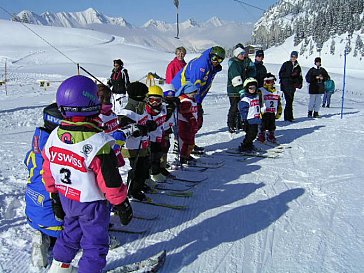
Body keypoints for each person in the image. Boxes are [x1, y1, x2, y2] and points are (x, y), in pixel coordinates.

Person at [43, 75, 132, 273]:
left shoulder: (53, 137)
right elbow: (110, 181)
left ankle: (60, 267)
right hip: (91, 204)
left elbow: (48, 170)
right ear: (93, 103)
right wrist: (121, 203)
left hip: (67, 198)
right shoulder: (97, 143)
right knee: (95, 243)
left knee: (70, 233)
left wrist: (54, 195)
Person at [24, 103, 64, 268]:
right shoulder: (56, 150)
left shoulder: (37, 144)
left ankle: (43, 236)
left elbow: (27, 161)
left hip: (32, 209)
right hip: (52, 212)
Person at [172, 46, 225, 152]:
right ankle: (180, 144)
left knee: (195, 122)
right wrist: (196, 101)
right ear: (210, 56)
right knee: (187, 121)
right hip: (184, 94)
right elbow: (194, 85)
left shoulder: (210, 66)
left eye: (220, 60)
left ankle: (189, 144)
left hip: (193, 95)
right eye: (215, 58)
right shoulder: (202, 65)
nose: (216, 62)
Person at [118, 82, 157, 202]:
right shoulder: (127, 112)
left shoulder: (142, 109)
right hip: (133, 148)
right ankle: (133, 191)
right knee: (137, 169)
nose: (147, 98)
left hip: (144, 145)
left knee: (145, 166)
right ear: (139, 96)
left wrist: (151, 125)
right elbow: (124, 130)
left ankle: (140, 185)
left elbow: (147, 121)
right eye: (145, 95)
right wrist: (139, 129)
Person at [227, 44, 256, 133]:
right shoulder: (234, 63)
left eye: (244, 53)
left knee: (242, 107)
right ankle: (231, 124)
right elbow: (235, 78)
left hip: (243, 87)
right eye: (241, 53)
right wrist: (241, 90)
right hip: (234, 90)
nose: (243, 55)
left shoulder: (244, 61)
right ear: (237, 54)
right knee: (234, 107)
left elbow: (252, 69)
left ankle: (240, 123)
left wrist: (249, 78)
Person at [145, 85, 168, 183]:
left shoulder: (163, 109)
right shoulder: (145, 110)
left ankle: (156, 172)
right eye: (152, 100)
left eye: (157, 100)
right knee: (149, 158)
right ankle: (148, 176)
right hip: (148, 139)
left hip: (159, 137)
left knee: (158, 154)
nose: (154, 103)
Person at [175, 82, 199, 164]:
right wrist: (191, 119)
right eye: (192, 93)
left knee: (191, 141)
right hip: (185, 124)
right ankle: (183, 156)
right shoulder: (185, 101)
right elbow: (185, 112)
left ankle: (187, 155)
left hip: (190, 124)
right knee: (187, 141)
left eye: (195, 93)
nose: (194, 94)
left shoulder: (191, 100)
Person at [257, 73, 283, 143]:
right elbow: (257, 101)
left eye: (272, 81)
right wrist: (258, 111)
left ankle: (271, 133)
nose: (270, 84)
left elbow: (279, 102)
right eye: (268, 82)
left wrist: (279, 111)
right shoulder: (261, 90)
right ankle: (261, 133)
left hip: (272, 111)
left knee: (272, 123)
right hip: (263, 111)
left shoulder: (276, 92)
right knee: (262, 123)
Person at [278, 51, 303, 122]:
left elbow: (300, 76)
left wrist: (300, 83)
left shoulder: (298, 66)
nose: (293, 58)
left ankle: (290, 116)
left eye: (295, 57)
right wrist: (290, 75)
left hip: (292, 86)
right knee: (288, 101)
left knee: (290, 101)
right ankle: (287, 117)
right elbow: (281, 74)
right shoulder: (286, 64)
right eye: (292, 56)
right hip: (285, 85)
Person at [238, 78, 261, 152]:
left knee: (254, 134)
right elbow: (243, 111)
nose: (252, 90)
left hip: (256, 118)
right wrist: (244, 120)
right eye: (250, 88)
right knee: (250, 134)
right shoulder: (245, 99)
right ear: (246, 88)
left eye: (254, 88)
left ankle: (249, 144)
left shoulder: (256, 96)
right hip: (249, 120)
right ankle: (245, 146)